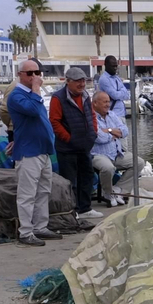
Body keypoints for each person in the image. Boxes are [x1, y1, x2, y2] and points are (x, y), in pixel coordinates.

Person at [7, 58, 62, 246]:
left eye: (37, 73)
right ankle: (25, 231)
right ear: (21, 75)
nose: (35, 77)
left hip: (42, 149)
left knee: (43, 191)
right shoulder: (17, 95)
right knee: (27, 194)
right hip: (29, 152)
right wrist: (37, 89)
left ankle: (40, 226)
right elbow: (32, 111)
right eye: (30, 73)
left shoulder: (33, 95)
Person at [49, 67, 99, 216]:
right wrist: (69, 139)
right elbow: (55, 122)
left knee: (87, 176)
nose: (82, 84)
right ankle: (71, 210)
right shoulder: (57, 98)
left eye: (83, 80)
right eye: (78, 81)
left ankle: (85, 208)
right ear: (68, 82)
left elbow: (92, 115)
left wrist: (93, 133)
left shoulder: (85, 96)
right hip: (67, 148)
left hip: (85, 145)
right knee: (69, 180)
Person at [90, 91, 133, 206]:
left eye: (108, 101)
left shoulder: (112, 115)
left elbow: (125, 131)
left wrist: (107, 130)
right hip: (98, 155)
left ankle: (118, 190)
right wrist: (112, 132)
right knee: (108, 168)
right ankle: (108, 193)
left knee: (138, 163)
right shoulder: (91, 117)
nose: (108, 104)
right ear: (95, 103)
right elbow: (99, 137)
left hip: (116, 153)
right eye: (105, 102)